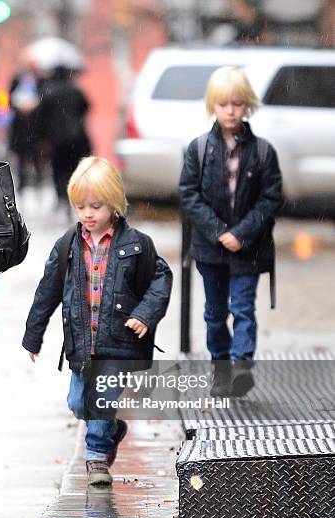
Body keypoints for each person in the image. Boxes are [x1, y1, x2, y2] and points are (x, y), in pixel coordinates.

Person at [22, 157, 172, 486]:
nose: (88, 214)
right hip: (81, 344)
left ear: (115, 205)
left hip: (118, 344)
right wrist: (33, 337)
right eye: (81, 207)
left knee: (101, 400)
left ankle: (96, 458)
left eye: (96, 206)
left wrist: (144, 315)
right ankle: (112, 429)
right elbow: (46, 292)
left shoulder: (136, 245)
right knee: (78, 402)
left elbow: (161, 280)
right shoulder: (67, 247)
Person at [179, 66, 283, 397]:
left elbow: (271, 198)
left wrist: (242, 233)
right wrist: (220, 231)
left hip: (248, 249)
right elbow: (189, 195)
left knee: (242, 308)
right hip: (210, 249)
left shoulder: (263, 151)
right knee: (214, 312)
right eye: (223, 104)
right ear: (213, 105)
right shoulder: (198, 149)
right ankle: (221, 368)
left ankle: (242, 366)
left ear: (247, 105)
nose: (230, 111)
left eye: (237, 104)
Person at [35, 66, 91, 213]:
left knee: (58, 168)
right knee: (74, 168)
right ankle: (73, 196)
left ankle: (61, 197)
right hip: (76, 137)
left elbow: (40, 117)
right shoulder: (75, 90)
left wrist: (42, 138)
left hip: (56, 139)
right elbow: (86, 107)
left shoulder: (48, 92)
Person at [8, 50, 44, 192]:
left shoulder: (40, 81)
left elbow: (44, 100)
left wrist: (35, 106)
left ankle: (38, 186)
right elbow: (10, 100)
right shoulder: (17, 79)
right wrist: (19, 106)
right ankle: (22, 187)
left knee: (38, 159)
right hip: (21, 127)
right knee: (21, 158)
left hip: (36, 127)